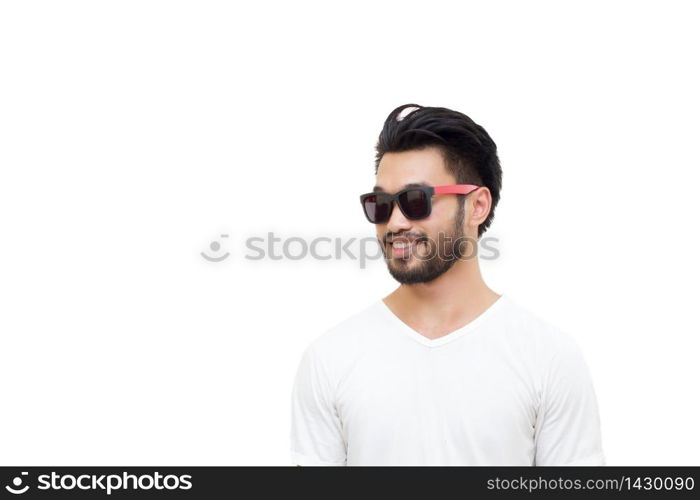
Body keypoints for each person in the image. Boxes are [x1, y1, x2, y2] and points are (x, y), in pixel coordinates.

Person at [289, 103, 605, 466]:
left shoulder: (548, 357)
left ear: (477, 206)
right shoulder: (330, 359)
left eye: (414, 201)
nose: (394, 224)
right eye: (381, 204)